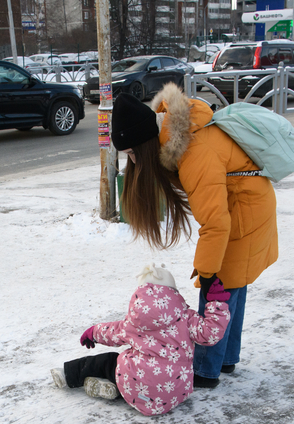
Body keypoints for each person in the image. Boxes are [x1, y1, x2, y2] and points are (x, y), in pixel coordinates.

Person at [110, 84, 279, 389]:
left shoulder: (193, 153)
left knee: (219, 285)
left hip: (243, 210)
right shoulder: (178, 139)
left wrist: (207, 271)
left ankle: (205, 369)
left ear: (145, 144)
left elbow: (215, 224)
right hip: (247, 204)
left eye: (133, 153)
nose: (133, 161)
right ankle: (226, 358)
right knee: (233, 284)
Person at [50, 264, 231, 416]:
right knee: (134, 374)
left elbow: (112, 331)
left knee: (108, 362)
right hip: (175, 393)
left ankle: (67, 374)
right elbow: (210, 333)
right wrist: (216, 303)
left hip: (137, 387)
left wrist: (92, 332)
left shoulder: (134, 322)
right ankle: (115, 389)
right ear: (173, 293)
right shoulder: (187, 318)